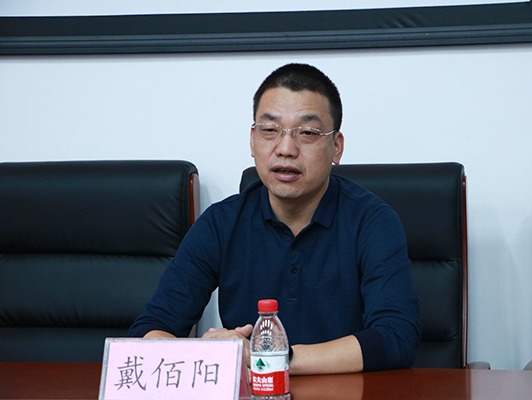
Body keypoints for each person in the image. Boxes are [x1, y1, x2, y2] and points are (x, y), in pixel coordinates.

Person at [129, 63, 420, 374]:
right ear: (252, 141)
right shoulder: (221, 223)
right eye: (270, 131)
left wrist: (271, 359)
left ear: (336, 147)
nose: (285, 149)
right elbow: (150, 329)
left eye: (307, 133)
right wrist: (213, 353)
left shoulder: (372, 222)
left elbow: (396, 338)